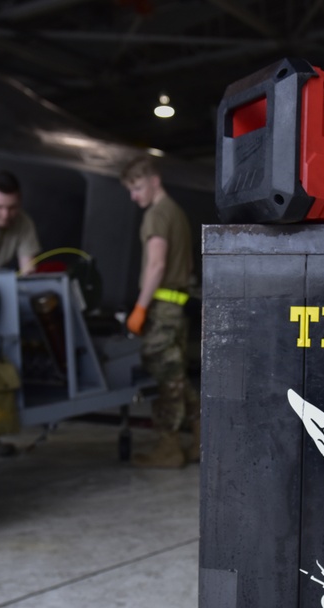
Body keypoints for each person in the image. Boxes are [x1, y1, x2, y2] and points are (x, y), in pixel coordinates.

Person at [121, 156, 200, 468]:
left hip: (162, 309)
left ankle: (169, 447)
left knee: (164, 375)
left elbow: (157, 264)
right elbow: (189, 266)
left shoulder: (156, 215)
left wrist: (140, 307)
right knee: (177, 375)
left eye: (138, 187)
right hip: (178, 305)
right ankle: (200, 439)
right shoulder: (177, 213)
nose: (134, 196)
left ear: (155, 181)